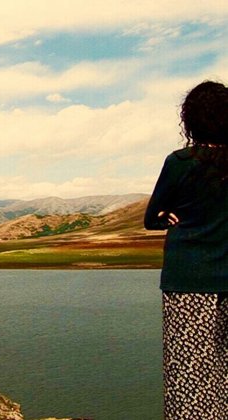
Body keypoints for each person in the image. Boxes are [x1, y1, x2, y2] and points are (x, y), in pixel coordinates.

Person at [144, 80, 227, 419]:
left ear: (189, 119)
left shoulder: (180, 162)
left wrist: (167, 217)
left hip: (188, 280)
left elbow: (151, 218)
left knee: (189, 375)